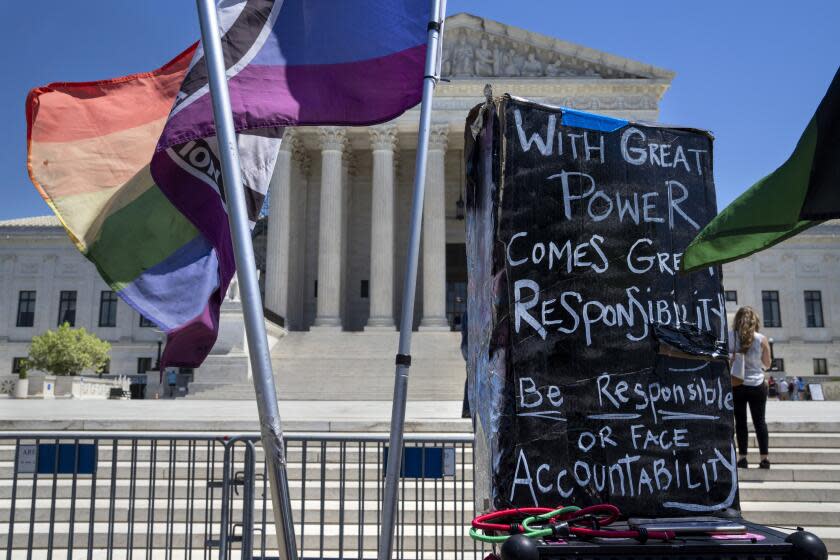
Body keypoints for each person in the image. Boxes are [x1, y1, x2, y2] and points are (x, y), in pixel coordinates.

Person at [729, 306, 772, 469]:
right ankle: (764, 458)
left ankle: (742, 458)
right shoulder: (761, 339)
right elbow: (767, 364)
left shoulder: (730, 336)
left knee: (740, 422)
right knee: (760, 422)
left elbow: (726, 358)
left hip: (737, 384)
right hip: (757, 385)